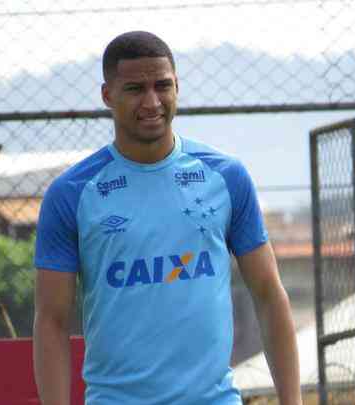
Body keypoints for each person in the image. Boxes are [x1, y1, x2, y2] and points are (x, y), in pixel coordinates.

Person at [33, 31, 302, 405]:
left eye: (162, 86)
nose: (152, 101)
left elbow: (270, 295)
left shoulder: (226, 177)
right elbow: (51, 321)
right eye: (135, 89)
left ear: (177, 87)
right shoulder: (72, 193)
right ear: (108, 95)